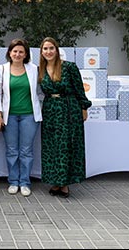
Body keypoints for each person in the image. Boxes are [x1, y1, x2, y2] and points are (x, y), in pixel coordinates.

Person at [38, 37, 91, 198]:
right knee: (52, 147)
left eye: (51, 48)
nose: (48, 52)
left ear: (57, 50)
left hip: (69, 109)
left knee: (66, 146)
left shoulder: (69, 67)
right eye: (45, 49)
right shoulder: (41, 69)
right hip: (50, 111)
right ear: (41, 52)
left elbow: (79, 89)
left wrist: (84, 107)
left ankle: (65, 183)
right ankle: (55, 181)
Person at [0, 38, 43, 197]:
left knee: (26, 150)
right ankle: (14, 181)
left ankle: (25, 182)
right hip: (10, 116)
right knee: (12, 150)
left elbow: (41, 90)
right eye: (15, 51)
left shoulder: (33, 69)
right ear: (9, 53)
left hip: (29, 115)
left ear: (26, 54)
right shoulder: (2, 69)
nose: (17, 54)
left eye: (21, 51)